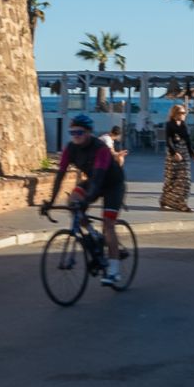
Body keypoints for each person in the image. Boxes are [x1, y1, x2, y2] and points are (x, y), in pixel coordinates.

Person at [42, 115, 128, 285]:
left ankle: (114, 271)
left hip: (112, 184)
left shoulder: (100, 148)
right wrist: (50, 202)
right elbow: (60, 175)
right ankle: (93, 234)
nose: (75, 135)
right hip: (94, 181)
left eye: (79, 132)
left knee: (108, 226)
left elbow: (98, 178)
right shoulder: (70, 148)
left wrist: (87, 200)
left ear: (88, 132)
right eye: (72, 132)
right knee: (72, 202)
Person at [159, 103, 194, 212]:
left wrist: (193, 154)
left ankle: (182, 203)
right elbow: (168, 141)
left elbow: (188, 140)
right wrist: (174, 152)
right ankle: (165, 200)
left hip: (184, 154)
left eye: (184, 113)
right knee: (171, 179)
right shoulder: (169, 125)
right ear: (174, 114)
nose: (183, 115)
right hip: (174, 155)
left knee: (185, 179)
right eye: (181, 113)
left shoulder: (184, 125)